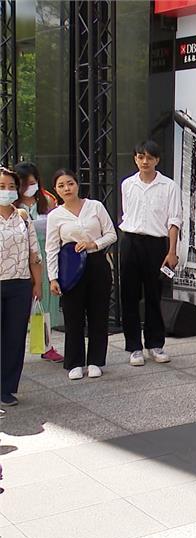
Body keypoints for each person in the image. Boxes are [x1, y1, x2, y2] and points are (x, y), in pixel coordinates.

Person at [45, 169, 117, 380]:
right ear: (56, 190)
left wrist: (94, 243)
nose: (66, 188)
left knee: (98, 314)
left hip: (96, 264)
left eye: (70, 183)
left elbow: (112, 234)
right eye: (61, 185)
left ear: (77, 184)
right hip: (70, 267)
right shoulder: (55, 215)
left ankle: (95, 360)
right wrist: (53, 277)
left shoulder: (95, 206)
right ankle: (75, 361)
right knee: (73, 315)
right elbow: (51, 248)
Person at [119, 140, 182, 366]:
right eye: (140, 156)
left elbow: (174, 220)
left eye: (149, 157)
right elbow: (127, 213)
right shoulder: (127, 184)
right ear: (135, 158)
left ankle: (156, 344)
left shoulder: (169, 186)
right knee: (129, 295)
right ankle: (134, 346)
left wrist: (172, 251)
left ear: (157, 160)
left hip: (156, 244)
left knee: (154, 296)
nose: (144, 161)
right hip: (131, 241)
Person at [0, 167, 43, 407]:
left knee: (14, 338)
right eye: (1, 186)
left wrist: (37, 283)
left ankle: (6, 388)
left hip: (20, 284)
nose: (6, 191)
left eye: (10, 187)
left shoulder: (23, 217)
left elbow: (33, 253)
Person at [14, 161, 63, 363]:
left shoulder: (47, 200)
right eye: (24, 184)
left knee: (44, 302)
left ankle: (45, 344)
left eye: (32, 183)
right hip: (19, 256)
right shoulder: (12, 204)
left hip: (46, 252)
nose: (29, 188)